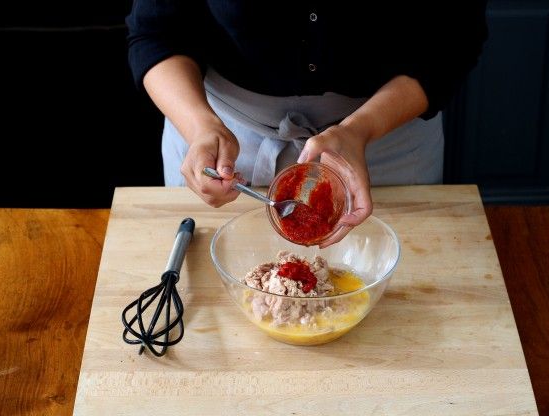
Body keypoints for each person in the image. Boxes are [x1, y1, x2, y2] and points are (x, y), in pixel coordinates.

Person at [126, 2, 488, 246]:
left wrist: (360, 129)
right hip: (224, 133)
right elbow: (157, 32)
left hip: (386, 133)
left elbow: (453, 40)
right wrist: (200, 126)